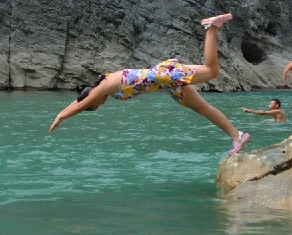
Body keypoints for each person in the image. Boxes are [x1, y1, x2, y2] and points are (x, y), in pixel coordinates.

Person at [49, 13, 250, 156]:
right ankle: (237, 135)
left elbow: (80, 104)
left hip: (164, 76)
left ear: (93, 95)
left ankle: (212, 28)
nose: (99, 105)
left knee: (212, 71)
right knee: (202, 108)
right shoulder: (105, 87)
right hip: (165, 83)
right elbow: (79, 101)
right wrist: (63, 110)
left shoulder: (104, 86)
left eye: (96, 105)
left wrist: (60, 116)